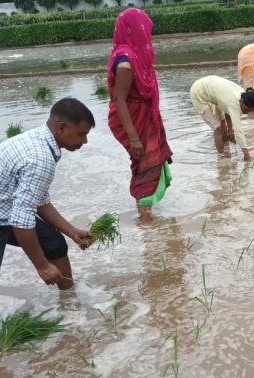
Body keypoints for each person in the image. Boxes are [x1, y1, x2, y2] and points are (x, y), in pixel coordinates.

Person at [0, 98, 96, 367]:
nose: (84, 141)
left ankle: (70, 305)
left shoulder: (42, 142)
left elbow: (40, 201)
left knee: (53, 241)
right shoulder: (39, 157)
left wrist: (72, 231)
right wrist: (41, 266)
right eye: (82, 134)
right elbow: (21, 221)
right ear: (62, 128)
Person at [108, 8, 173, 224]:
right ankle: (147, 224)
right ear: (135, 29)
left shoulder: (136, 56)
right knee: (146, 163)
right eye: (145, 29)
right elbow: (119, 99)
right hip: (133, 119)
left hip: (143, 116)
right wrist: (134, 137)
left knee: (143, 163)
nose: (148, 35)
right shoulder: (125, 61)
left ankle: (143, 214)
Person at [190, 76, 254, 161]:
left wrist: (230, 130)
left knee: (222, 122)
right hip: (198, 92)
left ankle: (226, 152)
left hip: (213, 91)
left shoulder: (244, 96)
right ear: (241, 102)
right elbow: (239, 131)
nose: (246, 113)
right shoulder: (234, 103)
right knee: (218, 128)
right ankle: (222, 158)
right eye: (246, 109)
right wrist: (246, 154)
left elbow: (228, 111)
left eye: (250, 111)